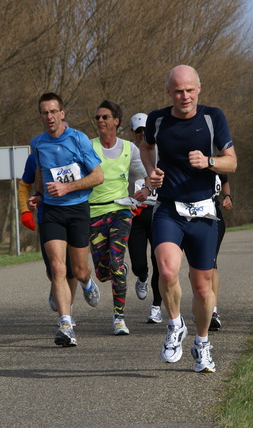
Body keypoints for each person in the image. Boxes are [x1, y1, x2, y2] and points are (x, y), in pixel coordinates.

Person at [140, 64, 237, 373]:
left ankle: (203, 343)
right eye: (178, 91)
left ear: (199, 89)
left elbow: (231, 163)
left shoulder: (213, 118)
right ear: (169, 92)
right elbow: (146, 148)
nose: (185, 96)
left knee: (202, 287)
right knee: (167, 271)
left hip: (204, 210)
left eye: (190, 90)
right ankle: (174, 325)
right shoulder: (157, 119)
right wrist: (151, 173)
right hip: (168, 207)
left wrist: (209, 161)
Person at [28, 92, 104, 347]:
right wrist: (38, 194)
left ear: (62, 114)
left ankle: (87, 283)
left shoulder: (78, 139)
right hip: (51, 211)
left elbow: (97, 176)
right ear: (40, 116)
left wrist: (67, 188)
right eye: (44, 112)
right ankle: (65, 324)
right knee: (57, 268)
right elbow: (41, 171)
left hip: (77, 209)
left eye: (53, 112)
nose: (49, 117)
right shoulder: (37, 143)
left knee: (79, 269)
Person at [88, 100, 149, 335]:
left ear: (116, 121)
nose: (101, 121)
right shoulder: (88, 146)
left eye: (105, 117)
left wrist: (145, 191)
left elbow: (144, 174)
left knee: (116, 262)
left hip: (121, 211)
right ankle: (112, 269)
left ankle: (119, 318)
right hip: (94, 212)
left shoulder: (129, 149)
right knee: (103, 272)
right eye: (97, 118)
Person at [18, 152, 78, 326]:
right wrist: (25, 210)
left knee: (72, 270)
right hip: (49, 217)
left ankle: (68, 310)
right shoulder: (36, 156)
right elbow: (24, 186)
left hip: (75, 215)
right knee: (54, 268)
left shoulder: (76, 152)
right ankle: (57, 286)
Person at [127, 112, 163, 324]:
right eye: (139, 131)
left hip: (159, 212)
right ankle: (141, 276)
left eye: (146, 130)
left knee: (159, 261)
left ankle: (156, 306)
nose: (143, 134)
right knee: (138, 263)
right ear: (133, 132)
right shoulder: (129, 152)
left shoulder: (162, 150)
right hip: (137, 213)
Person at [210, 174, 233, 330]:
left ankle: (212, 311)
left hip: (214, 218)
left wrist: (227, 196)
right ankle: (200, 297)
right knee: (196, 270)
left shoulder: (216, 163)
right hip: (184, 219)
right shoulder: (184, 160)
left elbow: (225, 180)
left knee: (210, 264)